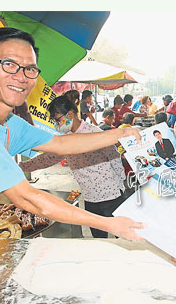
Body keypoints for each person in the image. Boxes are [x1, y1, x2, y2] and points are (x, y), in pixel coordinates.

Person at [0, 27, 144, 301]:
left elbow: (61, 144)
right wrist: (110, 224)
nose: (21, 77)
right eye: (9, 65)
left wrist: (119, 133)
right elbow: (29, 199)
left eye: (30, 69)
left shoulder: (8, 124)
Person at [19, 96, 127, 239]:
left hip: (111, 195)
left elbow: (114, 157)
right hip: (90, 198)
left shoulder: (93, 133)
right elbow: (48, 158)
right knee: (99, 239)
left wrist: (120, 185)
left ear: (70, 114)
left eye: (57, 120)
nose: (56, 124)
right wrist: (21, 167)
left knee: (123, 237)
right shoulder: (66, 139)